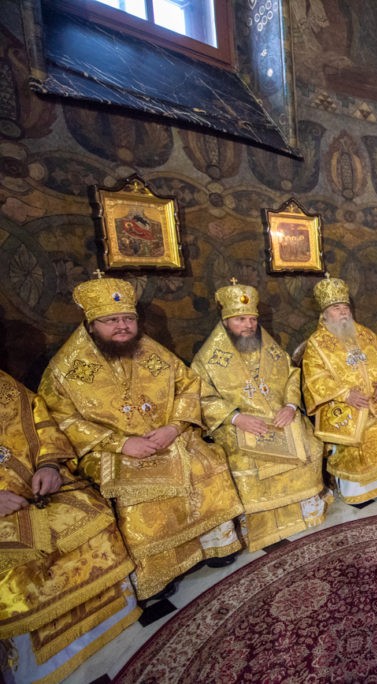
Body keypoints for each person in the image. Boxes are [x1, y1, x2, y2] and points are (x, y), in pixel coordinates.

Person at [37, 272, 243, 601]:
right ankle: (159, 572)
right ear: (91, 324)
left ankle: (214, 545)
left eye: (128, 319)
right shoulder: (68, 368)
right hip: (110, 449)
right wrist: (121, 443)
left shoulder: (152, 352)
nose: (122, 326)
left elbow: (189, 385)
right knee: (137, 489)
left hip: (169, 435)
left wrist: (174, 427)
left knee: (205, 462)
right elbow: (59, 418)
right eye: (111, 320)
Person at [1, 369, 139, 684]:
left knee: (92, 515)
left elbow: (42, 422)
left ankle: (112, 621)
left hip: (39, 485)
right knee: (18, 568)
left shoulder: (4, 385)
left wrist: (49, 466)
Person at [191, 280, 332, 551]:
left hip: (279, 415)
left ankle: (307, 512)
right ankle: (260, 526)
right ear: (226, 321)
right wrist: (236, 418)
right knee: (245, 457)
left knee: (305, 438)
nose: (249, 325)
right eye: (241, 319)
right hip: (239, 423)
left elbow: (292, 375)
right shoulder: (207, 359)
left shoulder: (269, 347)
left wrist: (290, 406)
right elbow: (201, 397)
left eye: (253, 319)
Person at [302, 275, 377, 504]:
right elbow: (314, 378)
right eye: (336, 308)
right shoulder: (316, 343)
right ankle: (360, 489)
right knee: (357, 429)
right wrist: (345, 395)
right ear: (324, 314)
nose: (343, 311)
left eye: (345, 307)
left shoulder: (365, 333)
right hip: (343, 403)